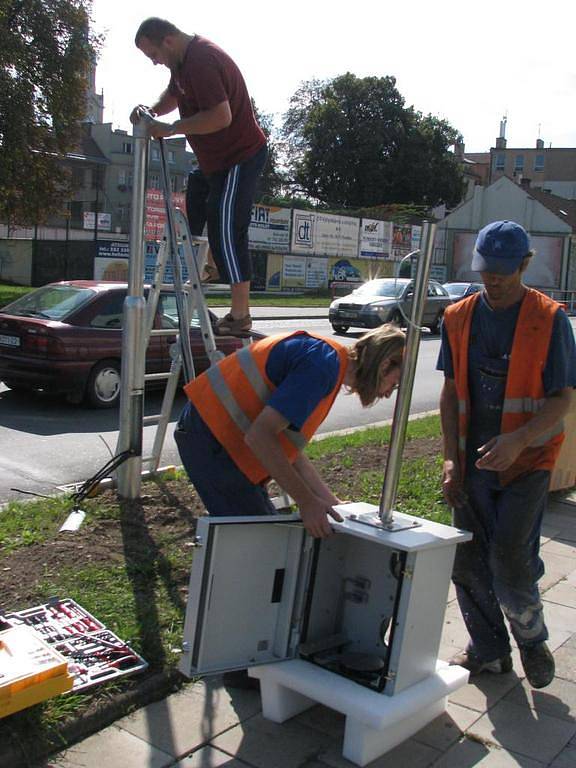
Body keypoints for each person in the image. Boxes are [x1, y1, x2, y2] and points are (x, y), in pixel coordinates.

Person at [437, 220, 576, 689]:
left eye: (502, 272)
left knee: (511, 558)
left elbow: (561, 398)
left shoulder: (548, 318)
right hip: (474, 462)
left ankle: (532, 640)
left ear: (524, 265)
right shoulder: (458, 316)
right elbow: (451, 391)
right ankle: (490, 651)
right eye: (485, 270)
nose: (492, 280)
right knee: (468, 559)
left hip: (529, 460)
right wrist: (451, 457)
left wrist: (519, 439)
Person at [175, 324, 405, 538]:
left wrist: (330, 501)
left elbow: (286, 446)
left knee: (264, 538)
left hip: (219, 437)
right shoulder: (322, 367)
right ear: (385, 364)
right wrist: (307, 502)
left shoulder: (330, 362)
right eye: (393, 385)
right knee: (257, 541)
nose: (388, 393)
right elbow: (260, 436)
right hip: (211, 439)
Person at [131, 17, 267, 335]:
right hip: (213, 164)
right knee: (196, 200)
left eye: (153, 55)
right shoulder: (182, 65)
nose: (154, 62)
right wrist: (152, 113)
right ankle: (205, 264)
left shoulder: (202, 60)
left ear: (167, 40)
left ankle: (240, 315)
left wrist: (172, 128)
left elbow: (221, 116)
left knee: (225, 225)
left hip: (239, 157)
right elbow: (174, 94)